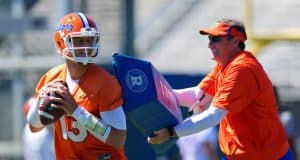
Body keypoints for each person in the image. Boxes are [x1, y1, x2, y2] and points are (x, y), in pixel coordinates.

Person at [148, 18, 294, 160]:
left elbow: (214, 115)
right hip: (239, 154)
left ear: (235, 42)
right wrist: (158, 95)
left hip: (265, 156)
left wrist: (172, 132)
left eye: (216, 39)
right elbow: (197, 95)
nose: (210, 45)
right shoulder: (224, 65)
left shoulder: (241, 69)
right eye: (210, 39)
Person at [26, 12, 127, 160]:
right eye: (79, 41)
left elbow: (118, 139)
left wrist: (76, 112)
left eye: (89, 40)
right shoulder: (51, 79)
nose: (86, 46)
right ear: (61, 43)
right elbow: (34, 127)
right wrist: (40, 104)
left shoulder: (106, 83)